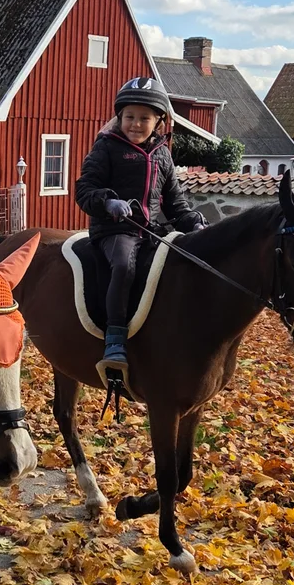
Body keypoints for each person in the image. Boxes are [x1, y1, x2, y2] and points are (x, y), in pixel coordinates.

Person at [75, 76, 205, 376]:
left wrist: (193, 223)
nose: (135, 124)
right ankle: (115, 338)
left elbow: (175, 203)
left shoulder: (163, 155)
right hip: (114, 230)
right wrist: (108, 202)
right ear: (119, 117)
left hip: (151, 232)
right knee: (124, 266)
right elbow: (85, 189)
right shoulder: (106, 147)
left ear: (159, 121)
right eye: (129, 117)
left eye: (144, 118)